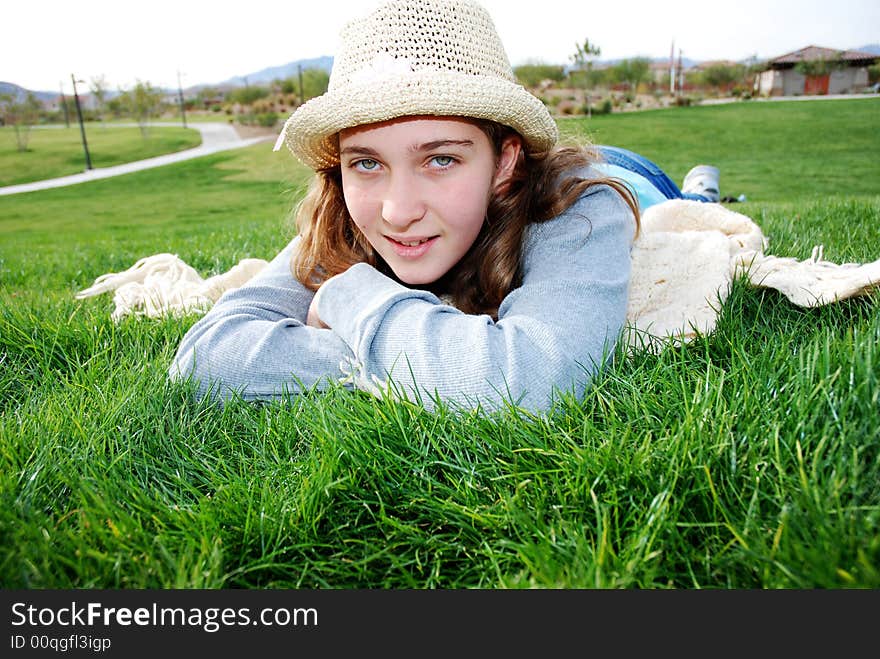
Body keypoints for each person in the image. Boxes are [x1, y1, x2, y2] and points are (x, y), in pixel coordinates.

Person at [168, 0, 720, 414]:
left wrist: (352, 294)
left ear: (503, 161)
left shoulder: (580, 207)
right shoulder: (346, 213)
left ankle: (703, 183)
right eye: (366, 163)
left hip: (632, 175)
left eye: (440, 160)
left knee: (691, 205)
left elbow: (532, 383)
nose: (397, 211)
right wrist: (433, 363)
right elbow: (203, 362)